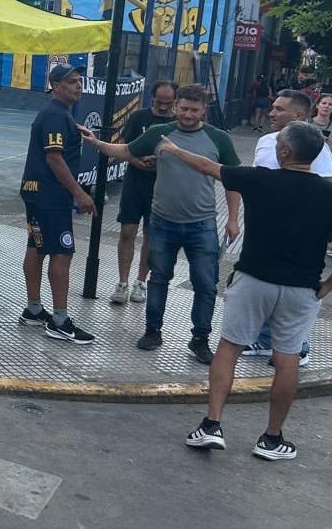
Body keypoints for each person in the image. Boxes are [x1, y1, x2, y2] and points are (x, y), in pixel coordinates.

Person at [165, 122, 332, 461]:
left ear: (285, 152)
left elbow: (206, 166)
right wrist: (328, 286)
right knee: (287, 362)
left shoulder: (259, 179)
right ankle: (272, 439)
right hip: (302, 290)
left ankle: (211, 425)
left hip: (252, 280)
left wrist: (172, 149)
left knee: (229, 348)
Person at [80, 85, 240, 364]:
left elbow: (233, 179)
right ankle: (153, 331)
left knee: (205, 284)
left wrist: (234, 218)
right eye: (184, 108)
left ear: (204, 110)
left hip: (201, 224)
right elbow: (127, 151)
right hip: (163, 222)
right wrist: (97, 144)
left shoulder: (219, 139)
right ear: (176, 107)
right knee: (158, 279)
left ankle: (200, 338)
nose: (188, 114)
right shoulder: (158, 133)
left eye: (194, 109)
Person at [243, 89, 332, 362]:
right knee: (262, 283)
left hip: (300, 234)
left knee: (295, 288)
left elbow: (325, 189)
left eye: (278, 109)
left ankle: (298, 346)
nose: (271, 113)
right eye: (271, 107)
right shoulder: (264, 142)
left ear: (297, 115)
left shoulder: (316, 146)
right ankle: (263, 339)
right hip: (263, 229)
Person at [19, 63, 97, 344]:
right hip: (51, 197)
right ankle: (60, 321)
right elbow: (54, 158)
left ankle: (34, 308)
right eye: (72, 81)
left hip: (36, 192)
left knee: (36, 246)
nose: (78, 86)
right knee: (62, 252)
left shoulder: (59, 115)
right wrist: (79, 193)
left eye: (79, 81)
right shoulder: (55, 115)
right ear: (56, 85)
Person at [109, 80, 178, 305]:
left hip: (162, 187)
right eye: (160, 102)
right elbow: (124, 148)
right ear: (152, 99)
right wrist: (137, 161)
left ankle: (141, 282)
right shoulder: (139, 118)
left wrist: (161, 162)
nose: (164, 107)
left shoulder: (178, 124)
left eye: (168, 103)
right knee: (127, 231)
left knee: (151, 235)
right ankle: (122, 282)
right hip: (135, 185)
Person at [309, 93, 332, 160]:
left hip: (325, 166)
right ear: (317, 105)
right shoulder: (306, 123)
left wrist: (327, 144)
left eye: (330, 104)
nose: (326, 106)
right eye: (324, 103)